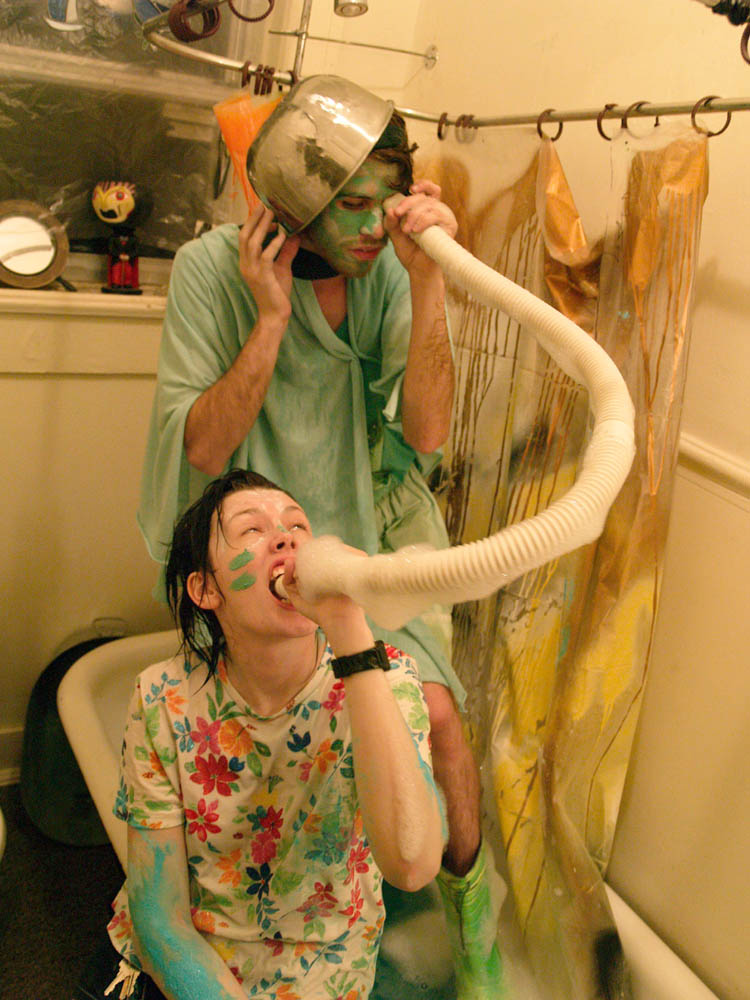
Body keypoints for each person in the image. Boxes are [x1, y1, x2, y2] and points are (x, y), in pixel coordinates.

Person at [138, 97, 502, 997]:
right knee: (273, 737)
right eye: (353, 207)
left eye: (386, 202)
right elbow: (203, 450)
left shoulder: (386, 270)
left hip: (366, 534)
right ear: (294, 209)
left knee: (443, 720)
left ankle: (475, 938)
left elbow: (427, 434)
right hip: (257, 541)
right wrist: (269, 318)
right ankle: (276, 908)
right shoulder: (208, 271)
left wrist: (428, 283)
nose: (377, 226)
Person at [77, 469, 445, 1000]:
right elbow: (159, 918)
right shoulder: (162, 698)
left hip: (320, 972)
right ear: (205, 589)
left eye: (297, 526)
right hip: (184, 963)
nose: (285, 538)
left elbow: (412, 866)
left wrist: (348, 627)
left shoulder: (386, 678)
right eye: (252, 530)